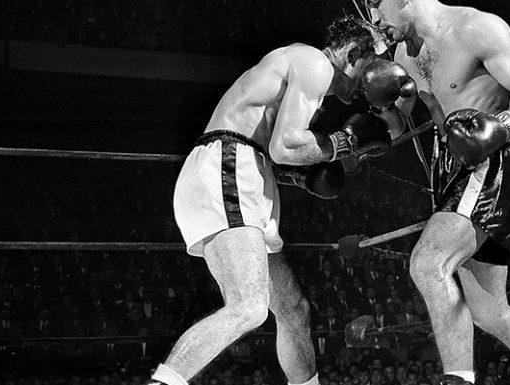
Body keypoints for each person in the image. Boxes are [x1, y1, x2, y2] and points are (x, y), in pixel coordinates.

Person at [149, 16, 412, 385]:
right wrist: (344, 143)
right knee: (248, 307)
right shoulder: (315, 63)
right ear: (353, 54)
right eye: (371, 67)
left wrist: (308, 170)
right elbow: (286, 145)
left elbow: (282, 151)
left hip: (247, 173)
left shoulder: (306, 77)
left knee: (292, 309)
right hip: (230, 165)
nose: (368, 83)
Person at [368, 1, 510, 384]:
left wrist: (499, 128)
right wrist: (377, 109)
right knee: (490, 313)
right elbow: (398, 126)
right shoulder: (403, 55)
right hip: (448, 173)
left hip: (490, 163)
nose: (375, 20)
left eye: (376, 5)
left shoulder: (476, 28)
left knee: (428, 263)